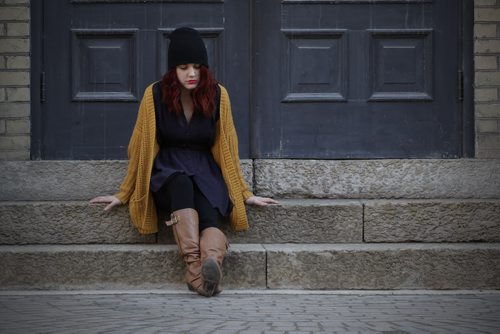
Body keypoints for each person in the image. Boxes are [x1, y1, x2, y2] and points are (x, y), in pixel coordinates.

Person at [90, 27, 277, 297]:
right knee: (181, 185)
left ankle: (209, 264)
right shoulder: (154, 95)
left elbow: (227, 146)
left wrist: (244, 193)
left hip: (204, 170)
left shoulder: (217, 95)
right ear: (172, 70)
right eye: (183, 67)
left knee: (209, 206)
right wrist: (124, 192)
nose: (192, 73)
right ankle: (196, 267)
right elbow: (141, 148)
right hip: (168, 171)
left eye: (197, 67)